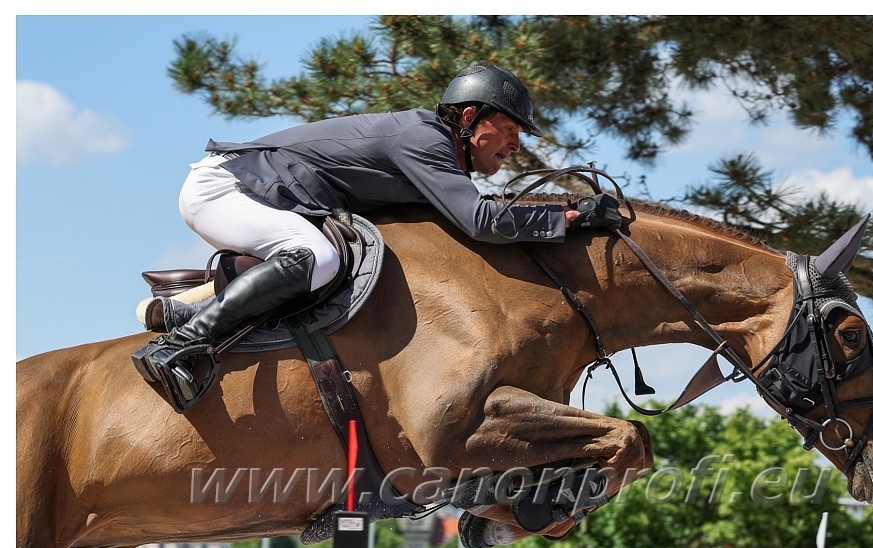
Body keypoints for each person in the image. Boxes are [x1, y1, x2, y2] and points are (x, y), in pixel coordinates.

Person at [131, 65, 618, 413]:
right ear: (469, 118)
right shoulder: (424, 139)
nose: (516, 144)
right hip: (226, 187)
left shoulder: (435, 154)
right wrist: (572, 218)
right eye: (508, 128)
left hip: (253, 190)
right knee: (316, 257)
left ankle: (186, 312)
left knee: (322, 260)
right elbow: (481, 221)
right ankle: (180, 345)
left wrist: (563, 214)